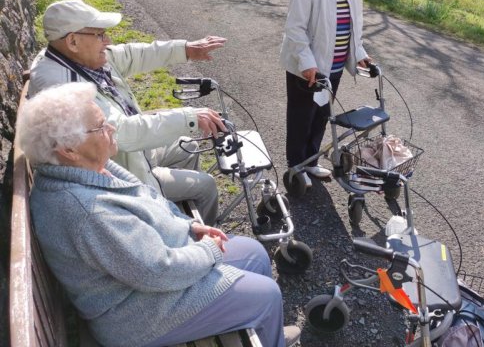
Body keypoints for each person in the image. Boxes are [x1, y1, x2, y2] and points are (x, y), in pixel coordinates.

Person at [17, 82, 301, 347]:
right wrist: (209, 252)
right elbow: (156, 270)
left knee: (253, 253)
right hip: (138, 312)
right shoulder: (85, 211)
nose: (112, 129)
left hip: (152, 276)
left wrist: (190, 226)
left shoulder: (87, 171)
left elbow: (150, 205)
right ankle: (264, 320)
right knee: (266, 297)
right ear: (68, 149)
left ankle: (265, 330)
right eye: (101, 126)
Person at [28, 0, 224, 225]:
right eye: (100, 35)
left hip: (135, 156)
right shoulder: (66, 89)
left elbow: (132, 54)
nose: (107, 41)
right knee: (207, 185)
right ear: (73, 40)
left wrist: (185, 49)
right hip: (124, 172)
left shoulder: (73, 58)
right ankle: (203, 239)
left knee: (188, 147)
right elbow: (119, 134)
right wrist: (189, 117)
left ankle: (177, 216)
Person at [280, 0, 371, 186]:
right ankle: (296, 166)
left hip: (335, 61)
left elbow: (353, 20)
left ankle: (312, 160)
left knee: (323, 114)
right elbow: (295, 27)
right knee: (301, 115)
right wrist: (307, 63)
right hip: (308, 64)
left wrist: (359, 52)